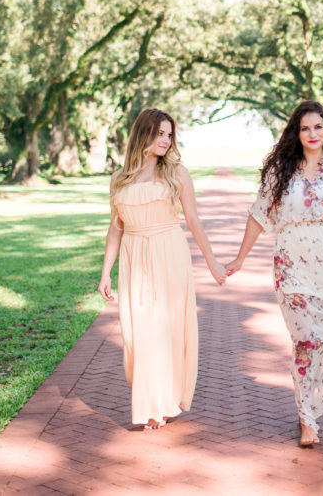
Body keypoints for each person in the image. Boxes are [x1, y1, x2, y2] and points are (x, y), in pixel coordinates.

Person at [225, 100, 323, 447]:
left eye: (318, 127)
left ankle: (313, 407)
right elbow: (259, 215)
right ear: (296, 132)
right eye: (305, 128)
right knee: (304, 339)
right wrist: (240, 258)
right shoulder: (281, 169)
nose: (312, 133)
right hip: (292, 264)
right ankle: (307, 420)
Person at [98, 108, 227, 430]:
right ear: (143, 134)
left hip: (169, 253)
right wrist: (105, 272)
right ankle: (154, 398)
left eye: (170, 134)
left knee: (164, 330)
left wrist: (213, 263)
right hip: (134, 255)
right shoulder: (119, 179)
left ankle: (158, 405)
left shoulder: (177, 174)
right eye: (160, 133)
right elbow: (116, 227)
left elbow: (194, 220)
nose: (166, 140)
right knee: (136, 333)